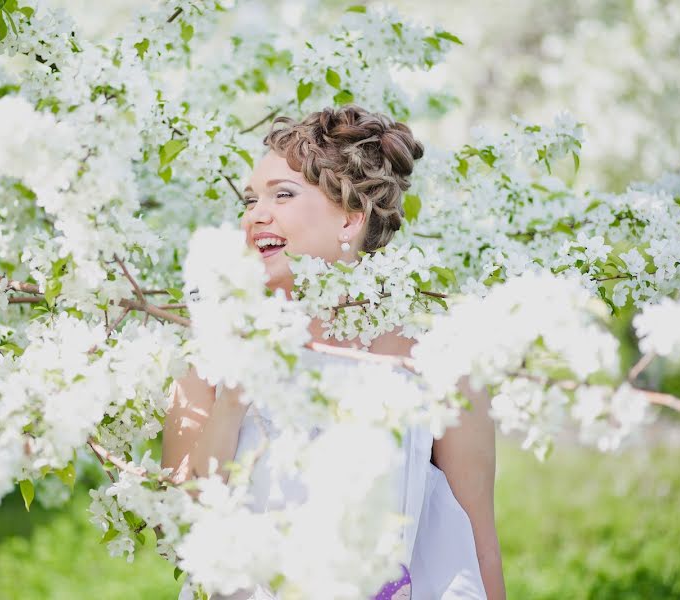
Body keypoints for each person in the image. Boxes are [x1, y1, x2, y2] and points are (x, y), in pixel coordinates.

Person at [162, 105, 506, 600]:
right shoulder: (209, 346)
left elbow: (478, 545)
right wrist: (234, 394)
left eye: (283, 194)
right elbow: (179, 524)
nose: (256, 214)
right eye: (250, 199)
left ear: (350, 218)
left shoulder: (436, 361)